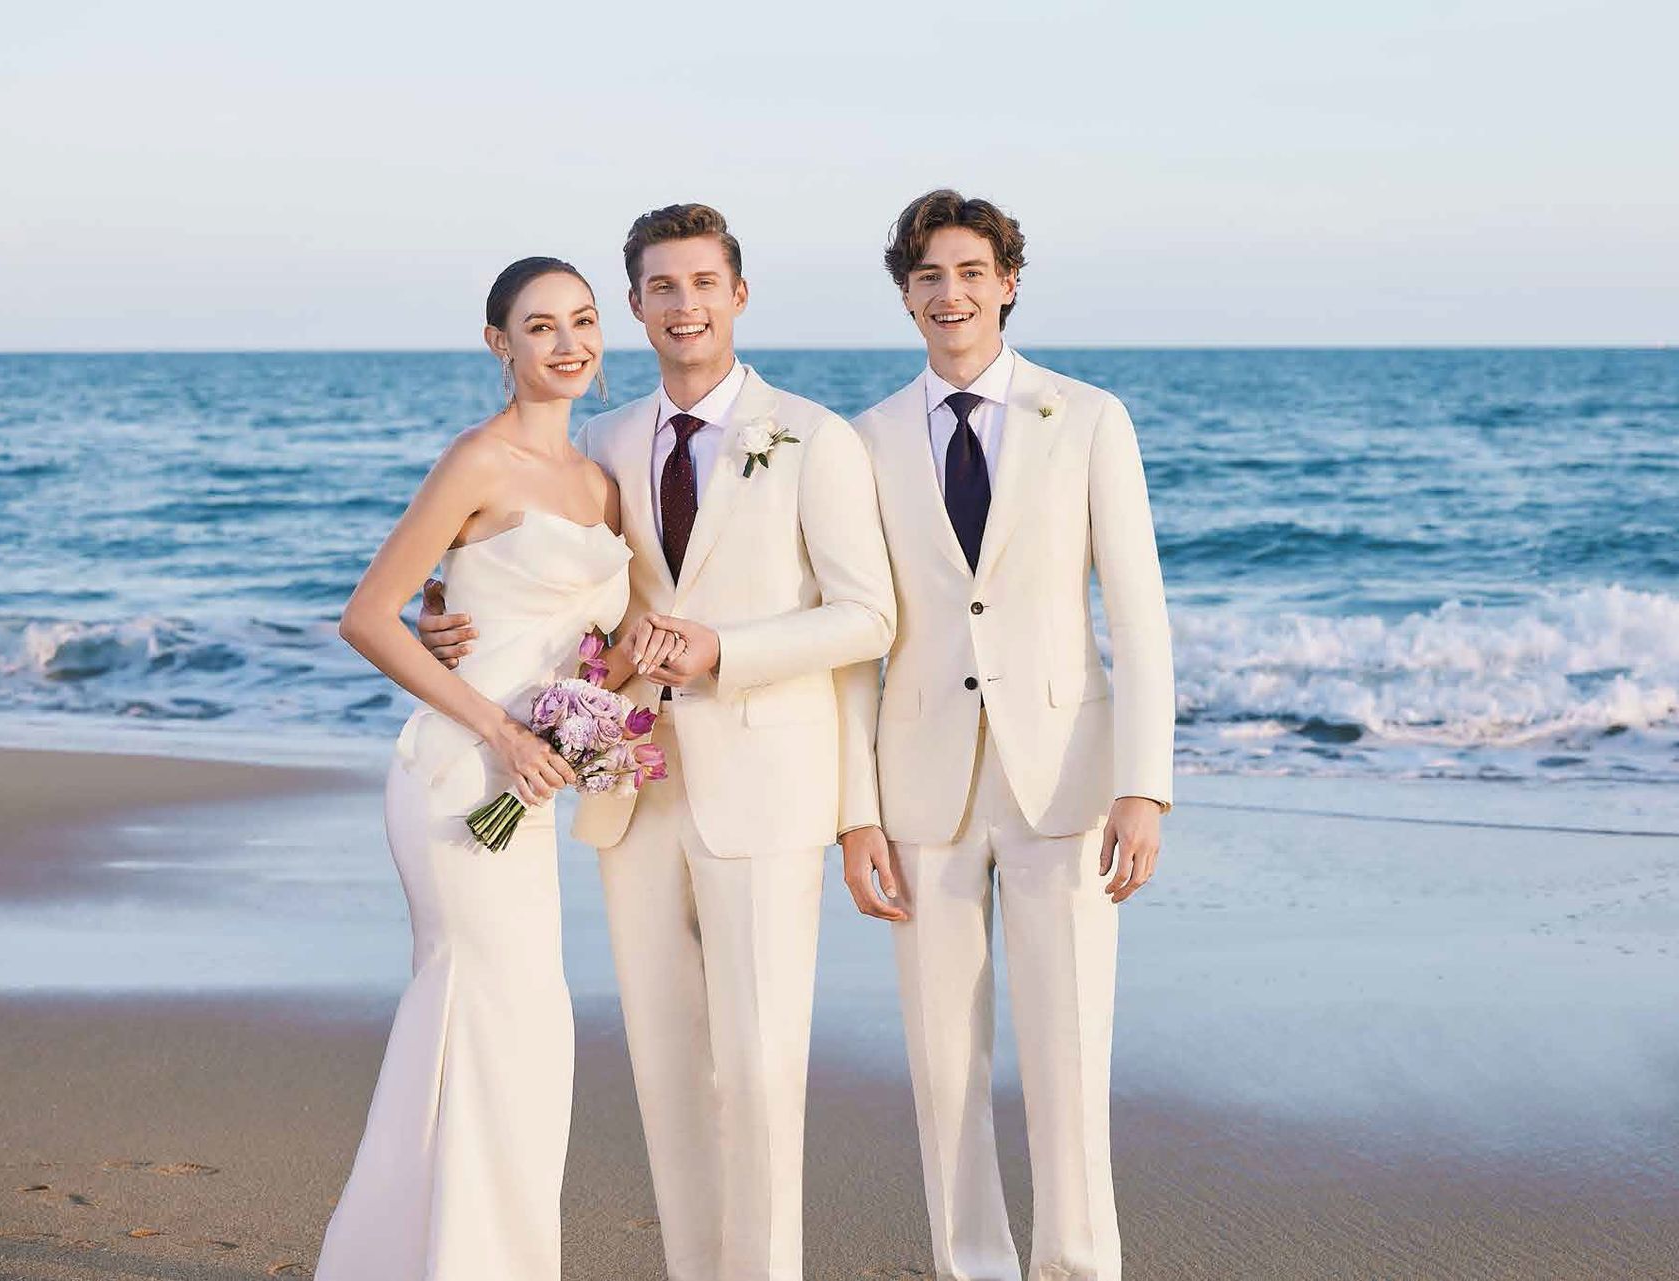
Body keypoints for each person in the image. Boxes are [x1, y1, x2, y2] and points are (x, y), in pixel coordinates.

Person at [419, 204, 896, 1281]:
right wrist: (444, 610)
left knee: (762, 1070)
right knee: (666, 1072)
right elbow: (536, 582)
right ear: (636, 305)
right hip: (627, 787)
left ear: (739, 295)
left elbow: (869, 618)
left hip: (768, 788)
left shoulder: (814, 437)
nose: (686, 306)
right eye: (663, 288)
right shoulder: (601, 441)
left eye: (704, 284)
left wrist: (724, 648)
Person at [837, 190, 1175, 1281]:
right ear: (906, 295)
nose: (952, 294)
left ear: (1009, 282)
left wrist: (1145, 785)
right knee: (944, 1064)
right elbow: (856, 643)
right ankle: (971, 1266)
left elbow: (1138, 614)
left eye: (972, 272)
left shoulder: (1089, 418)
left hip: (1065, 776)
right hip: (919, 787)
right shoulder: (866, 440)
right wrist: (855, 813)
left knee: (1071, 1049)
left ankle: (1078, 1267)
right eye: (929, 276)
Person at [318, 257, 635, 1281]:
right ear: (499, 343)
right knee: (500, 1020)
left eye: (583, 320)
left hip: (528, 792)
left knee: (509, 1029)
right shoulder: (477, 460)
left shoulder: (600, 482)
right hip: (460, 776)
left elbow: (589, 641)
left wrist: (599, 709)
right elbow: (370, 616)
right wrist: (499, 730)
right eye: (540, 326)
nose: (568, 343)